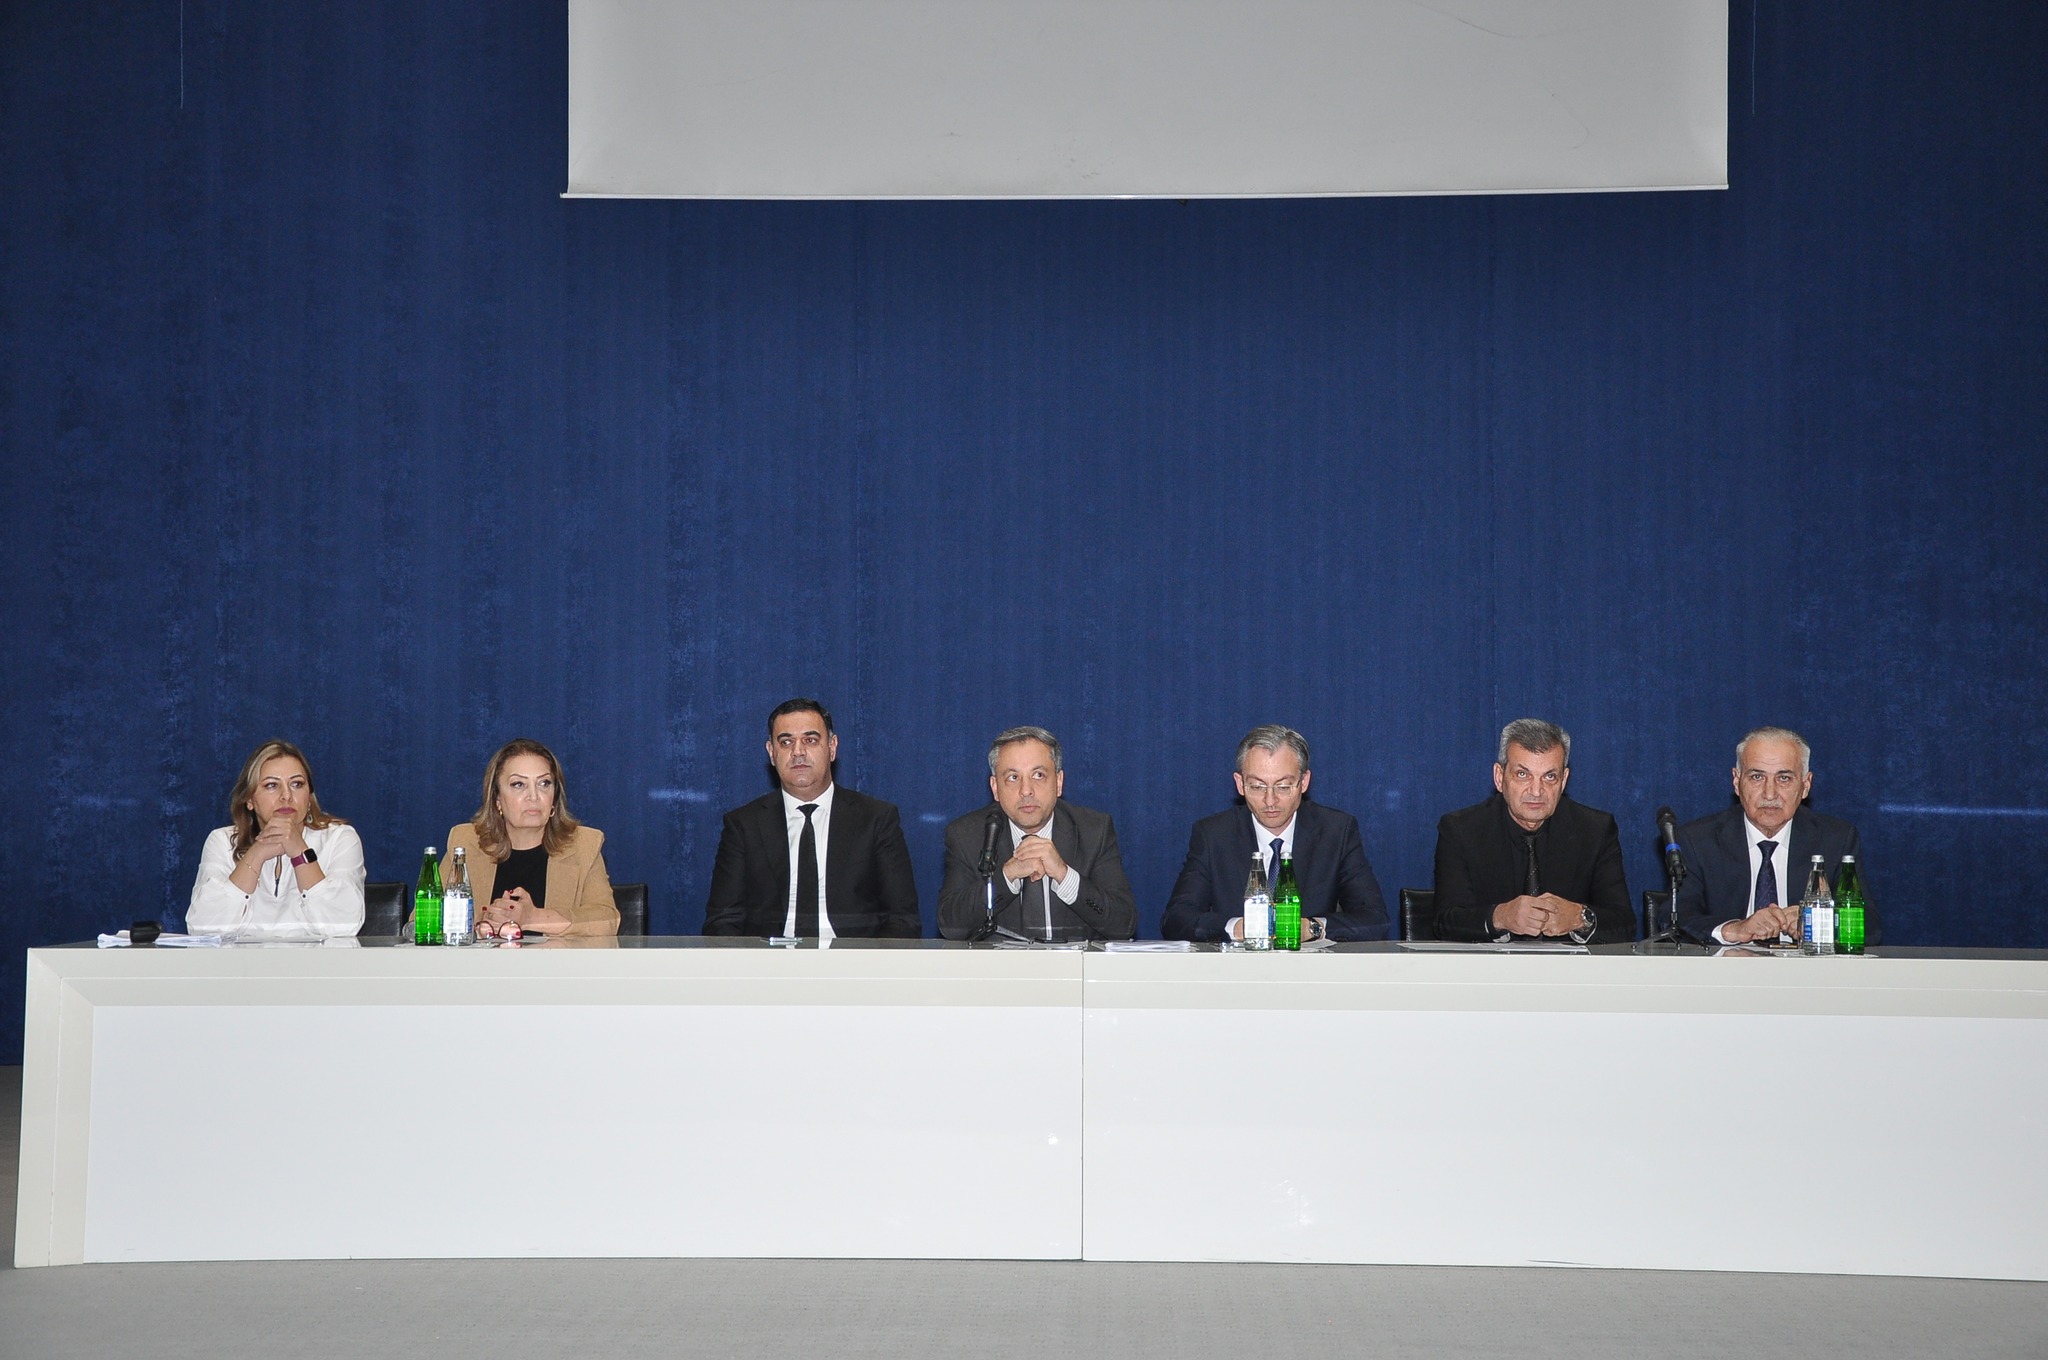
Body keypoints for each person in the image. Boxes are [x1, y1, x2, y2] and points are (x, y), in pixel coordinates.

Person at [704, 698, 920, 937]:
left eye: (810, 740)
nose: (798, 752)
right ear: (772, 753)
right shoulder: (743, 825)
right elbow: (722, 922)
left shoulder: (876, 819)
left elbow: (902, 920)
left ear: (832, 747)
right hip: (770, 958)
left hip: (852, 957)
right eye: (786, 742)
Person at [1161, 724, 1388, 943]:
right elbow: (1176, 919)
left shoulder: (1336, 831)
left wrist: (1311, 928)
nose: (1270, 800)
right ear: (1240, 784)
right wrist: (1238, 928)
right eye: (1257, 787)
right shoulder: (1214, 835)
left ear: (1304, 782)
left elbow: (1375, 919)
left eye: (1283, 786)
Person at [1432, 718, 1632, 944]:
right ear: (1499, 777)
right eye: (1522, 774)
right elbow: (1445, 922)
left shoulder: (1595, 830)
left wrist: (1580, 918)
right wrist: (1500, 917)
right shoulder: (1461, 830)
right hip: (1489, 965)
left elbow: (1624, 924)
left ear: (1564, 781)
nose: (1536, 791)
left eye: (1549, 776)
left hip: (1568, 966)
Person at [1675, 726, 1879, 946]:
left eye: (1784, 778)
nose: (1770, 794)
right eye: (1757, 777)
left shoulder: (1835, 839)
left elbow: (1870, 926)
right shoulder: (1698, 840)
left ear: (1805, 785)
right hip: (1728, 965)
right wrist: (1733, 930)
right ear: (1736, 781)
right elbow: (1676, 919)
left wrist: (1819, 923)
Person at [937, 726, 1136, 941]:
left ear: (1058, 782)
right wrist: (1006, 877)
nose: (1026, 790)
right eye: (1013, 777)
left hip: (1073, 962)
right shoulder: (967, 835)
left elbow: (1123, 925)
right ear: (995, 788)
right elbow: (951, 927)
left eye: (1038, 775)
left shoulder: (1094, 830)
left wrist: (1064, 875)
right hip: (1000, 963)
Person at [188, 740, 366, 938]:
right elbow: (202, 928)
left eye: (297, 784)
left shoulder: (340, 839)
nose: (286, 796)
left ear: (309, 797)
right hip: (241, 959)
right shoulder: (222, 841)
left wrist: (300, 852)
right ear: (249, 800)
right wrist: (256, 854)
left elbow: (345, 926)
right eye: (271, 785)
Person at [445, 739, 619, 938]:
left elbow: (607, 921)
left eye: (544, 784)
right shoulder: (465, 843)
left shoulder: (584, 845)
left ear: (554, 799)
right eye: (519, 784)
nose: (534, 796)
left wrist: (532, 918)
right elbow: (426, 917)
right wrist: (480, 924)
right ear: (497, 799)